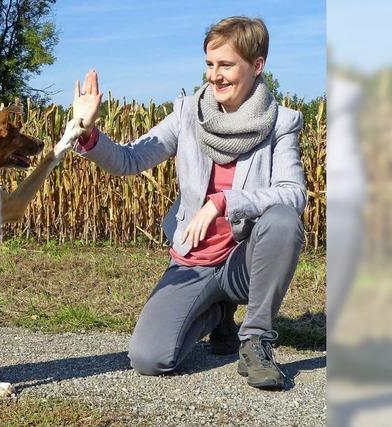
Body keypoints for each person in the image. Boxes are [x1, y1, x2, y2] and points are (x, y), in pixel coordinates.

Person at [71, 16, 306, 390]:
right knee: (150, 358)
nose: (215, 76)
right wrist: (88, 133)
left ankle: (256, 339)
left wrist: (222, 202)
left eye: (226, 65)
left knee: (282, 221)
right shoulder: (186, 113)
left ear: (257, 65)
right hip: (193, 259)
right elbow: (131, 159)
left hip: (242, 259)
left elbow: (293, 194)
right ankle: (216, 312)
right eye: (210, 65)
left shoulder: (281, 123)